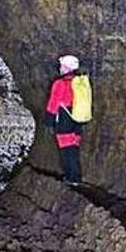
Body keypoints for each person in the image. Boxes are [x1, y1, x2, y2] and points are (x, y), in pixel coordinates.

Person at [43, 55, 83, 186]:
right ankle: (76, 177)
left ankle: (72, 178)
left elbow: (53, 103)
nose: (60, 68)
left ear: (66, 67)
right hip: (77, 119)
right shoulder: (80, 82)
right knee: (74, 148)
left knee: (66, 149)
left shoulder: (60, 84)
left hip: (65, 119)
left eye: (62, 66)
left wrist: (48, 121)